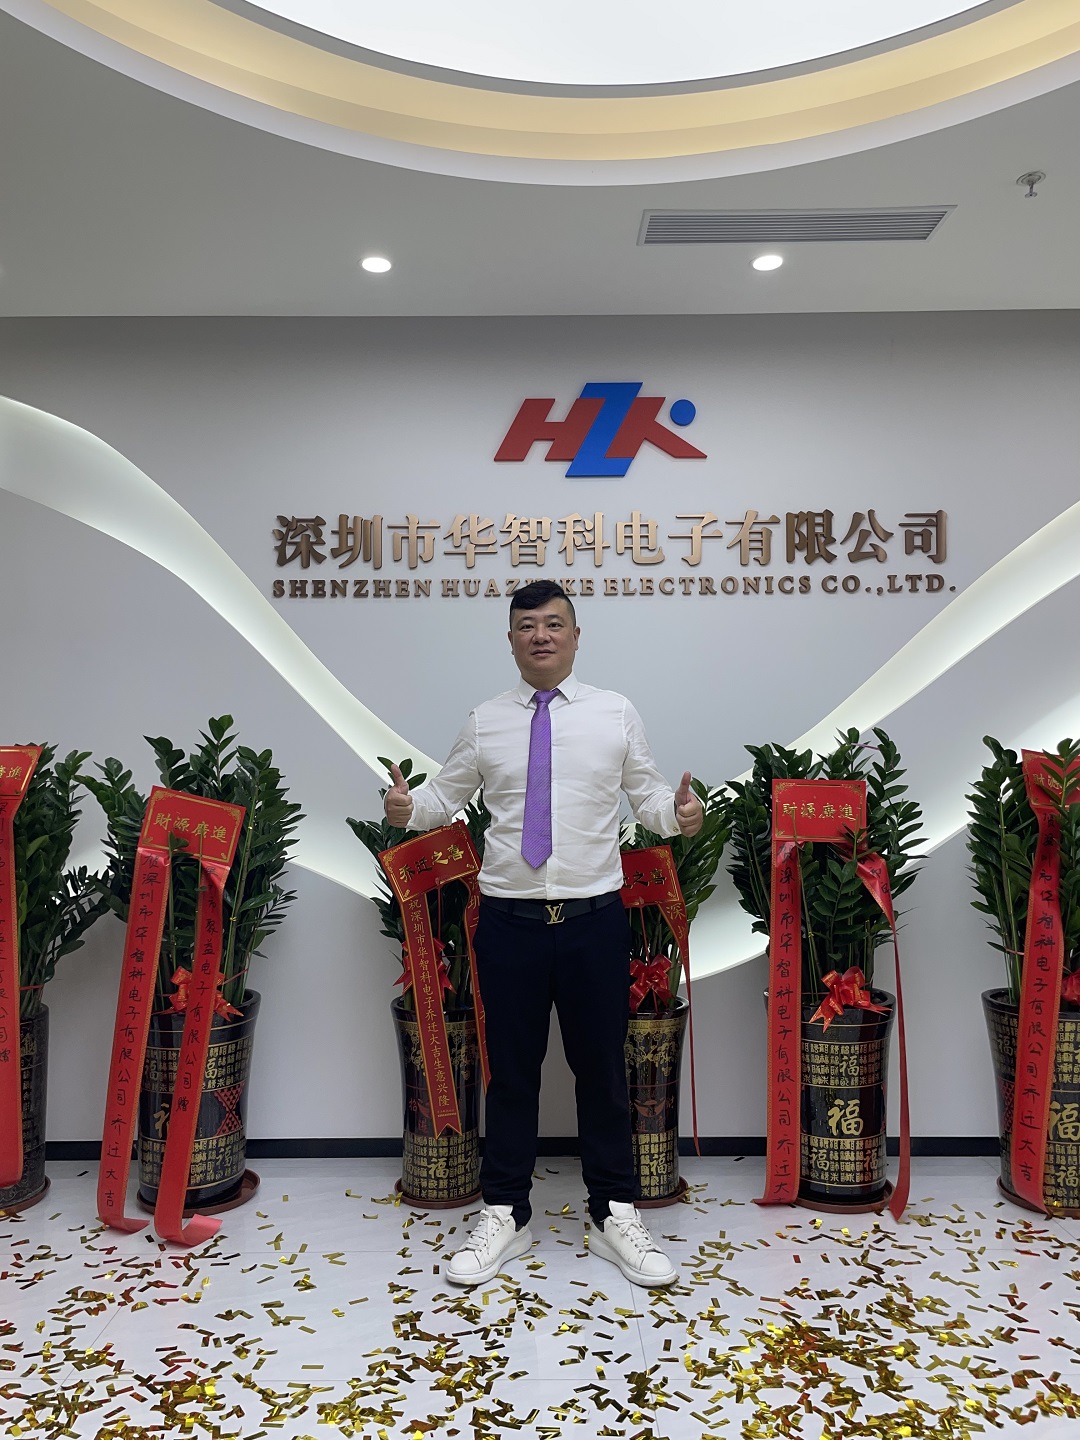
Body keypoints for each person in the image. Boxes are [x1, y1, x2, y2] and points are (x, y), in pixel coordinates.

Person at [384, 579, 702, 1289]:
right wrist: (407, 807)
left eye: (554, 624)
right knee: (511, 1076)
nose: (541, 636)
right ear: (511, 640)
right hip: (510, 924)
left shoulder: (615, 712)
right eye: (527, 626)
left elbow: (649, 797)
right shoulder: (485, 720)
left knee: (604, 1074)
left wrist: (680, 814)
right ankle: (505, 1212)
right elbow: (442, 798)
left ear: (576, 636)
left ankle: (612, 1212)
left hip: (594, 921)